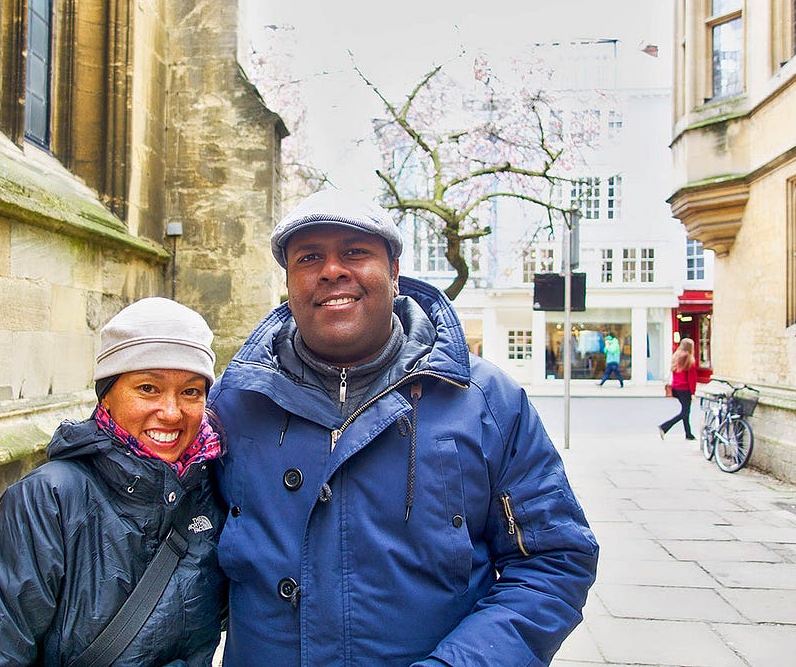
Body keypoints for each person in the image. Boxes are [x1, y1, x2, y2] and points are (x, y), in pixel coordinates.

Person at [208, 190, 599, 666]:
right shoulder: (231, 403)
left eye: (355, 252)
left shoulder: (485, 401)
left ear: (394, 273)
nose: (332, 270)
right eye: (309, 258)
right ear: (289, 284)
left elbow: (553, 560)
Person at [0, 298, 226, 666]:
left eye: (190, 392)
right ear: (106, 395)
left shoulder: (210, 490)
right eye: (148, 388)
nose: (171, 412)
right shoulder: (47, 502)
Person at [659, 337, 698, 440]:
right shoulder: (689, 360)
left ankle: (688, 434)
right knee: (685, 412)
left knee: (686, 411)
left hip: (676, 388)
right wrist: (693, 393)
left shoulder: (676, 357)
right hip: (685, 389)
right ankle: (664, 426)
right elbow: (692, 379)